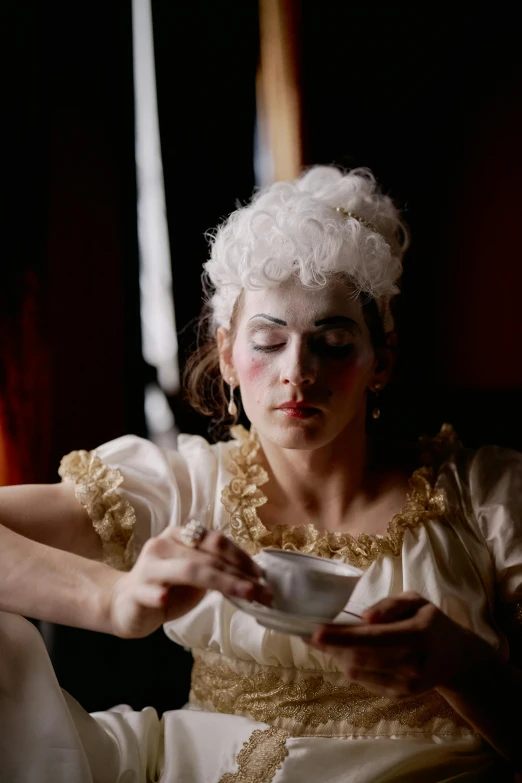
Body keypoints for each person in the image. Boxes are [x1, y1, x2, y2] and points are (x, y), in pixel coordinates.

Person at [1, 166, 521, 782]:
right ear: (226, 355)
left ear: (381, 360)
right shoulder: (185, 487)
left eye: (332, 342)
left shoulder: (488, 498)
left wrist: (464, 669)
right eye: (269, 342)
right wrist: (113, 598)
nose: (297, 372)